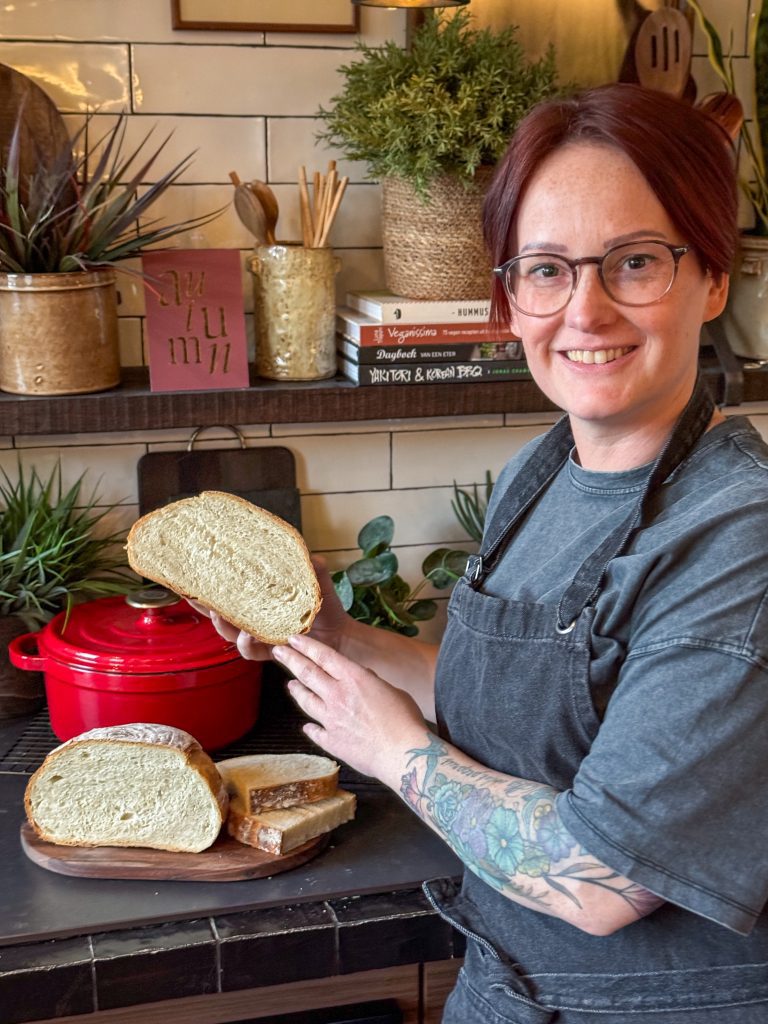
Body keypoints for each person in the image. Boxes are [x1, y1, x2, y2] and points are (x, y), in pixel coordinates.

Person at [205, 84, 768, 1021]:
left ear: (713, 278)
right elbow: (520, 700)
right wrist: (340, 638)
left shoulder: (736, 538)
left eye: (634, 262)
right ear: (509, 299)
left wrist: (394, 751)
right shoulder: (540, 476)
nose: (584, 311)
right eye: (546, 270)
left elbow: (603, 883)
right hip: (508, 988)